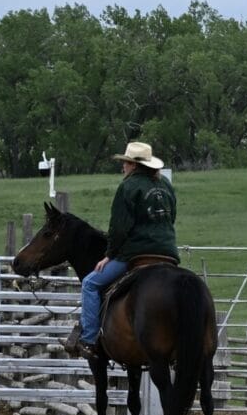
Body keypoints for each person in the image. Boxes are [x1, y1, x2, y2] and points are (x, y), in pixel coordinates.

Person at [66, 140, 179, 358]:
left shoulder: (128, 186)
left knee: (90, 283)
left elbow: (119, 228)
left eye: (126, 163)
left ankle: (89, 340)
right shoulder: (165, 185)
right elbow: (171, 217)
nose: (123, 167)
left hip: (136, 254)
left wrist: (109, 255)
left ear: (134, 165)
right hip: (168, 254)